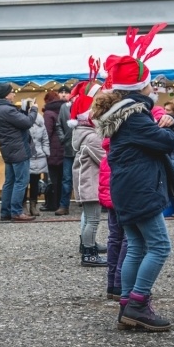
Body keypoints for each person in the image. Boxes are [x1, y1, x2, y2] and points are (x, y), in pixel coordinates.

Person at [90, 22, 174, 331]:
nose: (153, 89)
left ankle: (128, 304)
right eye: (151, 84)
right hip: (140, 189)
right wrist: (169, 126)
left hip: (126, 188)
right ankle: (139, 303)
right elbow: (167, 143)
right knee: (159, 246)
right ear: (142, 87)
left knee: (138, 246)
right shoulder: (137, 116)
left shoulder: (122, 114)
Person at [68, 79, 107, 267]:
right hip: (90, 184)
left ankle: (87, 246)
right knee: (93, 220)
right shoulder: (92, 137)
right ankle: (89, 254)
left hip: (86, 183)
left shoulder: (82, 133)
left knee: (89, 219)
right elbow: (104, 160)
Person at [0, 82, 38, 222]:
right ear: (6, 94)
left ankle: (5, 212)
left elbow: (17, 123)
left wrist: (22, 111)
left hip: (7, 150)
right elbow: (27, 122)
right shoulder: (8, 110)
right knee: (21, 181)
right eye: (12, 92)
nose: (14, 94)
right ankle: (16, 212)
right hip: (19, 150)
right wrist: (34, 109)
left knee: (9, 182)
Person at [99, 136, 128, 300]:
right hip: (122, 198)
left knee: (115, 238)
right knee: (128, 239)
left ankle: (112, 283)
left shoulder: (108, 152)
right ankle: (119, 284)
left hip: (110, 199)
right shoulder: (123, 152)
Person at [42, 90, 66, 212]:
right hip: (64, 147)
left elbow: (47, 132)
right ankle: (62, 203)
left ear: (47, 100)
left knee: (53, 179)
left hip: (52, 149)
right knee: (63, 178)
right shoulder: (65, 109)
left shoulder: (48, 113)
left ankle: (53, 204)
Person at [26, 100, 50, 217]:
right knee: (24, 182)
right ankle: (23, 205)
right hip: (26, 156)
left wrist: (46, 152)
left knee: (35, 182)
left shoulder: (41, 124)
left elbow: (45, 139)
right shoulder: (23, 122)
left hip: (38, 156)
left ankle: (33, 205)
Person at [54, 85, 74, 216]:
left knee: (87, 178)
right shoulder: (64, 107)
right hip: (68, 148)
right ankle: (64, 205)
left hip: (84, 147)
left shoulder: (86, 105)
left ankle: (91, 204)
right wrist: (63, 139)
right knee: (66, 179)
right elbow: (58, 125)